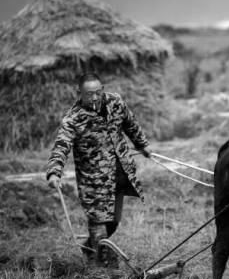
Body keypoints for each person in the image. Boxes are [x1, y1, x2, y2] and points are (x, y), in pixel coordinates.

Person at [46, 73, 152, 266]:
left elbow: (130, 123)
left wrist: (142, 144)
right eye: (89, 94)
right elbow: (61, 147)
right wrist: (54, 172)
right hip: (93, 181)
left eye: (97, 92)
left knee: (113, 221)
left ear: (102, 89)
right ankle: (104, 269)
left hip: (120, 174)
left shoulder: (115, 102)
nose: (94, 98)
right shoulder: (73, 119)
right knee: (98, 223)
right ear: (80, 93)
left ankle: (90, 248)